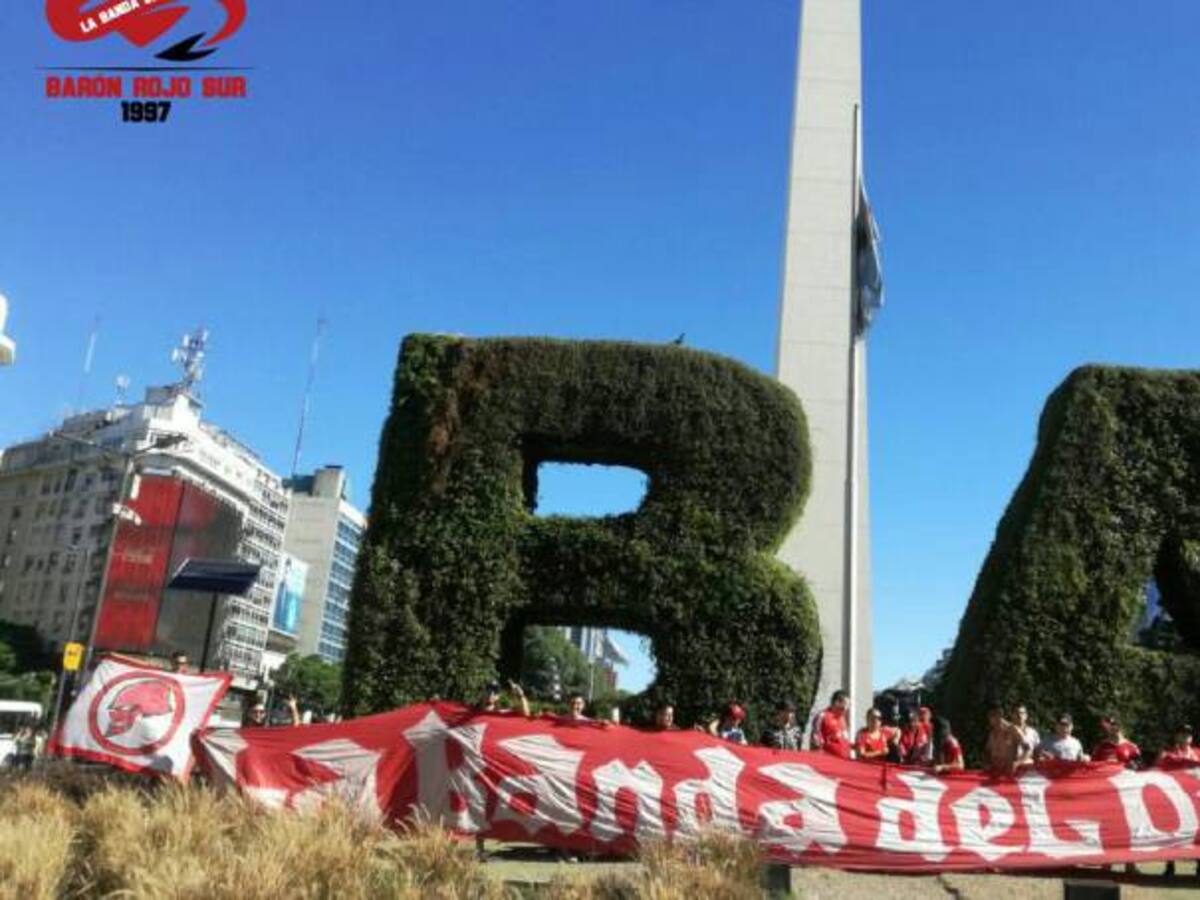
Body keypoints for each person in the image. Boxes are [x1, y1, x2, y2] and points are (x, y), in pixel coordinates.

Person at [983, 705, 1032, 775]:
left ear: (1000, 715)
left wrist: (1017, 763)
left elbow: (1028, 749)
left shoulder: (1013, 730)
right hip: (996, 771)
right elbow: (987, 751)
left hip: (1011, 771)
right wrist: (987, 763)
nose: (990, 719)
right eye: (990, 716)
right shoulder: (992, 733)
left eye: (993, 715)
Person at [813, 690, 853, 759]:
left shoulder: (842, 718)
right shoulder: (822, 715)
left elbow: (844, 739)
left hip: (845, 760)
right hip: (829, 760)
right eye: (846, 704)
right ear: (837, 702)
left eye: (848, 705)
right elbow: (816, 739)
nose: (847, 708)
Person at [1011, 704, 1039, 769]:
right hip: (1012, 767)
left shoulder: (1033, 732)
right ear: (1012, 715)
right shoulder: (1007, 731)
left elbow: (1037, 752)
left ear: (1026, 715)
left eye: (1022, 713)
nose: (1019, 715)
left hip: (1029, 767)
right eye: (1016, 713)